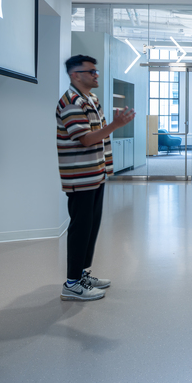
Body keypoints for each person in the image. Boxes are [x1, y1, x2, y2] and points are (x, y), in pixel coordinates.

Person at [56, 54, 136, 301]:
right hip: (80, 177)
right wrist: (116, 124)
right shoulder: (71, 102)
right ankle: (71, 284)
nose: (95, 74)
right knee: (80, 228)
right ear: (75, 74)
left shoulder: (90, 99)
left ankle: (80, 274)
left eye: (96, 71)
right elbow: (86, 138)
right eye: (90, 71)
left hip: (95, 174)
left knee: (91, 228)